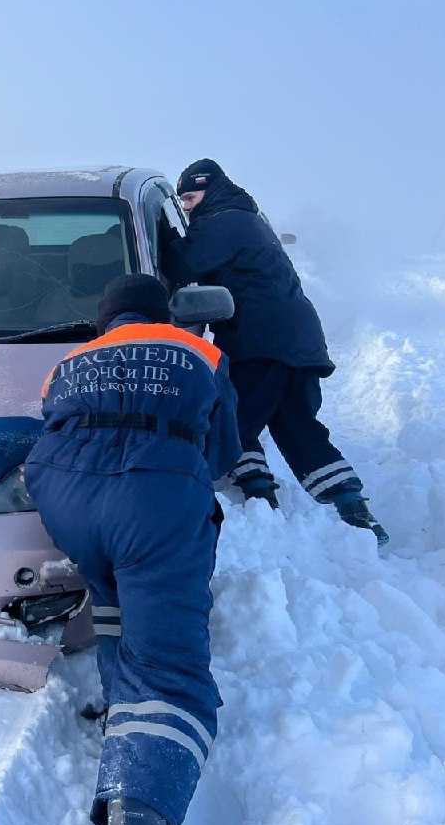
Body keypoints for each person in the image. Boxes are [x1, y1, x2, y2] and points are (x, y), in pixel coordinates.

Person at [24, 274, 241, 825]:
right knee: (169, 659)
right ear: (163, 315)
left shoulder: (71, 360)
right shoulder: (200, 352)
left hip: (63, 493)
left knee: (115, 594)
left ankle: (121, 699)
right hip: (152, 494)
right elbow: (223, 449)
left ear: (106, 319)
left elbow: (51, 422)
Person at [166, 158, 388, 545]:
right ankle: (353, 507)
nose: (186, 206)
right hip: (298, 340)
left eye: (189, 196)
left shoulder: (225, 219)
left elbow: (182, 263)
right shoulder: (249, 220)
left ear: (210, 188)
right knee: (297, 425)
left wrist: (160, 235)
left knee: (235, 421)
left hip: (260, 338)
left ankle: (259, 499)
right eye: (182, 200)